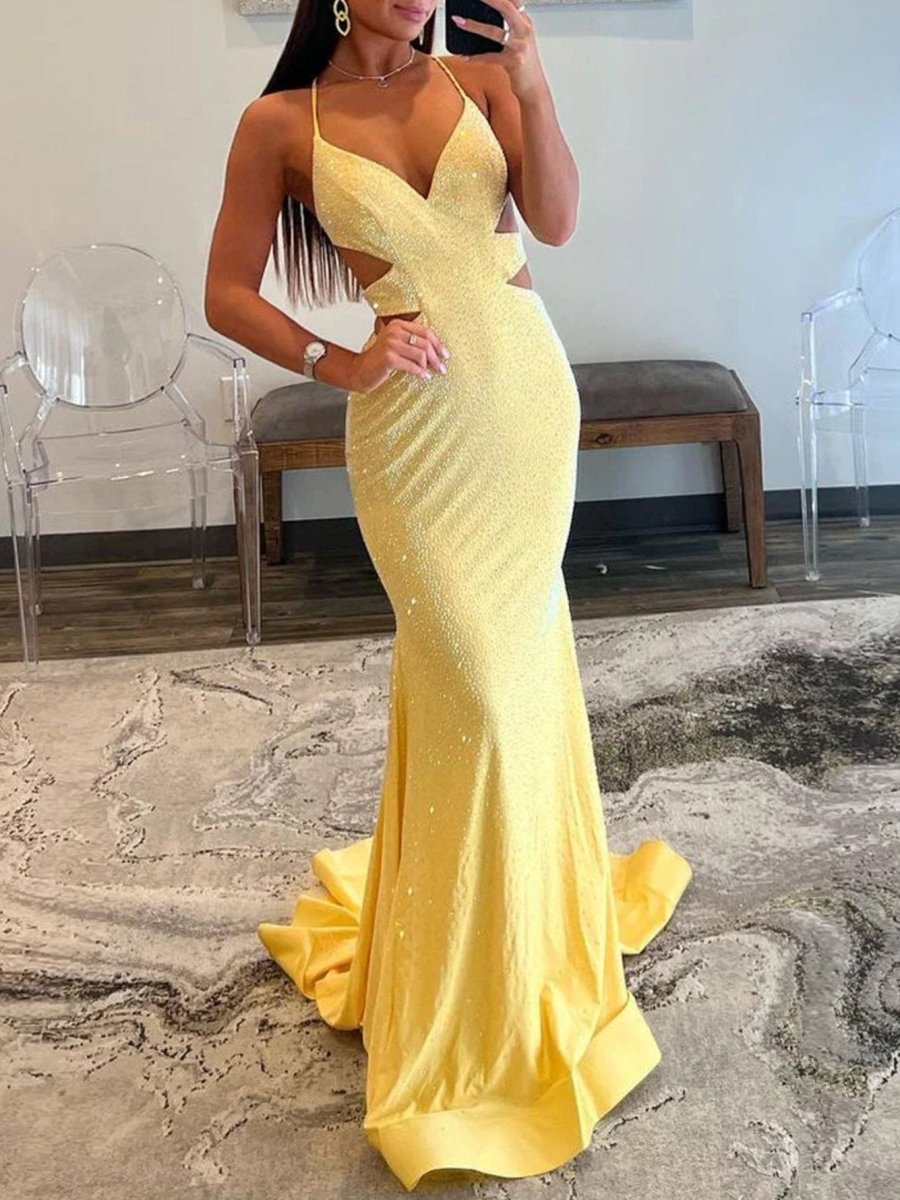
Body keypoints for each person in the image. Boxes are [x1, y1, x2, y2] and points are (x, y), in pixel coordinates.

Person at [205, 0, 693, 1190]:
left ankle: (527, 932)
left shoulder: (476, 82)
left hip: (525, 401)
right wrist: (340, 360)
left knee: (514, 677)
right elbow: (226, 291)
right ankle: (466, 972)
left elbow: (558, 222)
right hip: (413, 435)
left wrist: (533, 76)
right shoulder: (282, 123)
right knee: (468, 681)